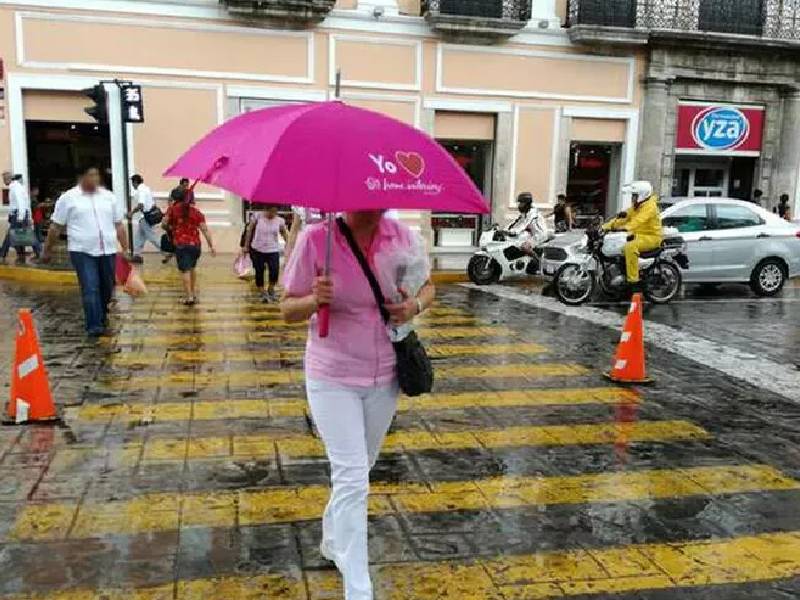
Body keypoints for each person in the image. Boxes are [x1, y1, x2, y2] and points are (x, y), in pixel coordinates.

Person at [280, 211, 435, 600]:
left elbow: (428, 287)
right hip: (332, 376)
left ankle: (333, 539)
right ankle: (359, 588)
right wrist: (315, 299)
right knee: (352, 477)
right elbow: (286, 310)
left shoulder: (401, 236)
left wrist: (413, 305)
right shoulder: (318, 240)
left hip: (385, 376)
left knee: (358, 469)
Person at [42, 166, 129, 337]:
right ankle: (94, 326)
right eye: (90, 175)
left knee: (107, 286)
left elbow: (118, 224)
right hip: (82, 250)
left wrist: (125, 248)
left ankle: (101, 316)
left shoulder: (108, 197)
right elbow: (56, 226)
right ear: (81, 177)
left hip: (108, 250)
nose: (94, 179)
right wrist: (47, 250)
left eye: (97, 175)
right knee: (90, 287)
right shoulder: (68, 198)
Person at [602, 180, 663, 289]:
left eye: (634, 195)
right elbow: (624, 217)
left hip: (652, 237)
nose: (632, 198)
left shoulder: (650, 207)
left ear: (642, 195)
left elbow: (639, 220)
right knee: (619, 245)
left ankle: (633, 280)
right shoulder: (637, 206)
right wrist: (606, 226)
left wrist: (625, 228)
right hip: (639, 235)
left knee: (630, 246)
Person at [163, 188, 216, 305]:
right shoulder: (196, 212)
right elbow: (205, 230)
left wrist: (170, 228)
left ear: (175, 198)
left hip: (182, 245)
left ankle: (189, 297)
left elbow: (164, 224)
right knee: (192, 268)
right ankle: (192, 293)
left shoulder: (172, 210)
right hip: (195, 245)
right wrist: (211, 246)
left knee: (184, 271)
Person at [243, 204, 288, 302]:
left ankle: (271, 289)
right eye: (271, 211)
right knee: (259, 271)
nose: (272, 214)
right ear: (265, 209)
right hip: (258, 249)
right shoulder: (257, 216)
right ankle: (262, 291)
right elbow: (249, 231)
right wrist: (246, 246)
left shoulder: (280, 221)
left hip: (273, 250)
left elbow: (284, 233)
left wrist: (289, 244)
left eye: (275, 212)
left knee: (274, 270)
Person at [1, 172, 39, 265]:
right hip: (19, 214)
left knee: (13, 234)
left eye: (4, 179)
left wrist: (20, 217)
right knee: (22, 234)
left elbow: (21, 203)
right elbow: (24, 203)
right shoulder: (16, 187)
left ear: (8, 179)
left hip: (18, 214)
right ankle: (27, 252)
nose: (4, 181)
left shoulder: (15, 188)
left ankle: (2, 254)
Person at [128, 174, 162, 262]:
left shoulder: (141, 190)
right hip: (146, 216)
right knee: (139, 237)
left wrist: (131, 213)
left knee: (152, 237)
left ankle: (167, 251)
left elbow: (141, 205)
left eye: (132, 182)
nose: (132, 185)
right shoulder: (147, 188)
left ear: (135, 182)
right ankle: (137, 256)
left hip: (145, 217)